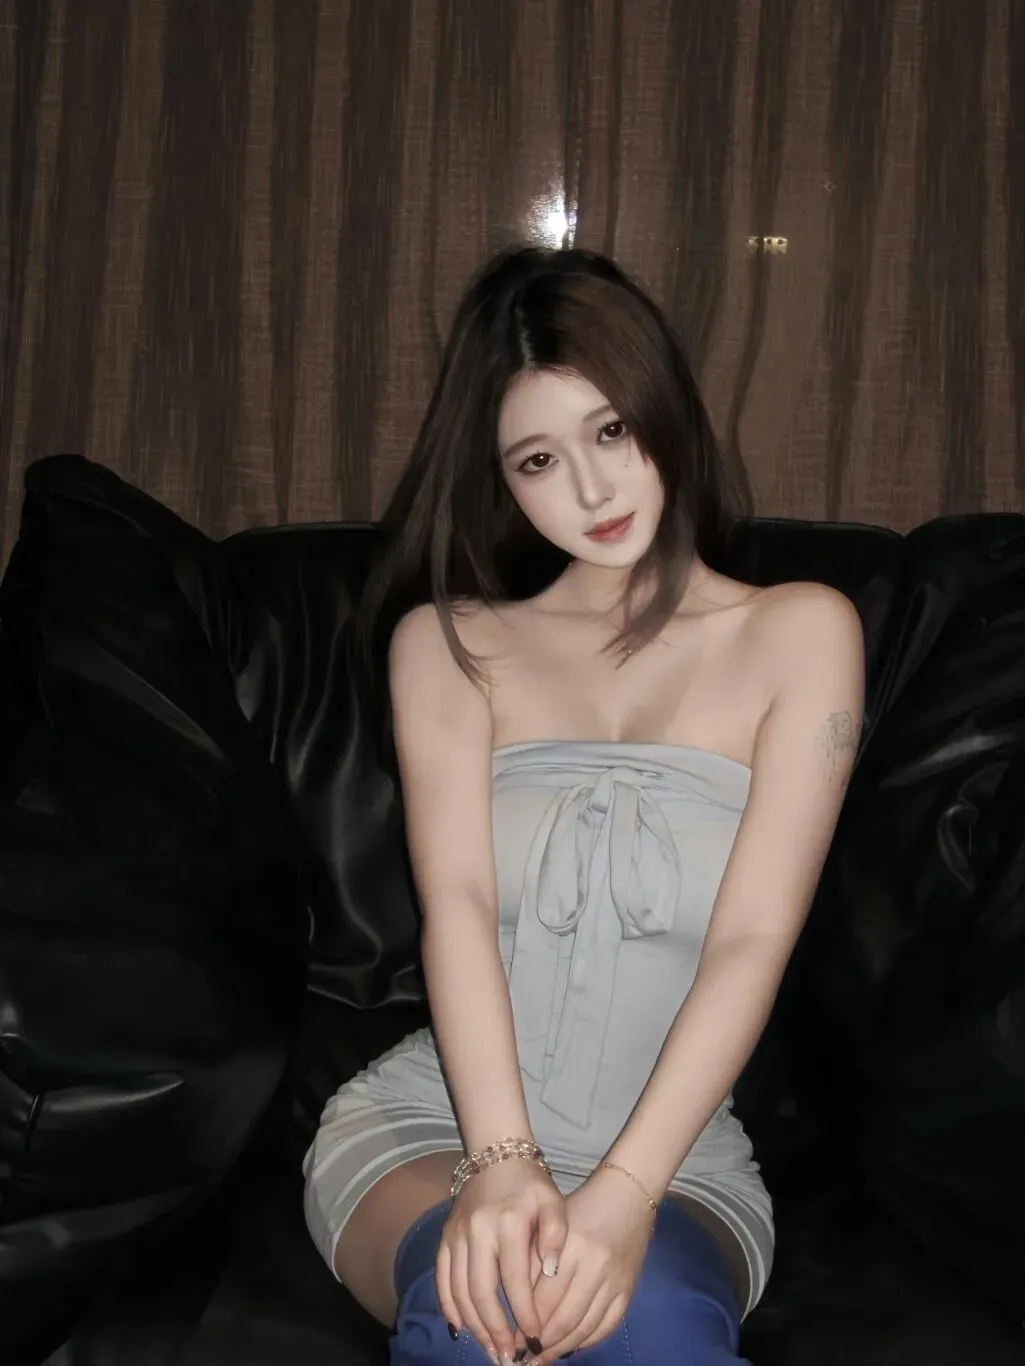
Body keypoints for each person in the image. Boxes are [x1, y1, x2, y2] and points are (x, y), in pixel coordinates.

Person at [303, 246, 864, 1365]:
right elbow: (458, 909)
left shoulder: (801, 632)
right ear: (500, 478)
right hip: (436, 1130)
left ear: (665, 411)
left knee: (657, 1328)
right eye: (538, 459)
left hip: (676, 1157)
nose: (592, 491)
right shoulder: (448, 643)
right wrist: (502, 1162)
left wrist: (622, 1192)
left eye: (611, 431)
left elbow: (751, 942)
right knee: (478, 1322)